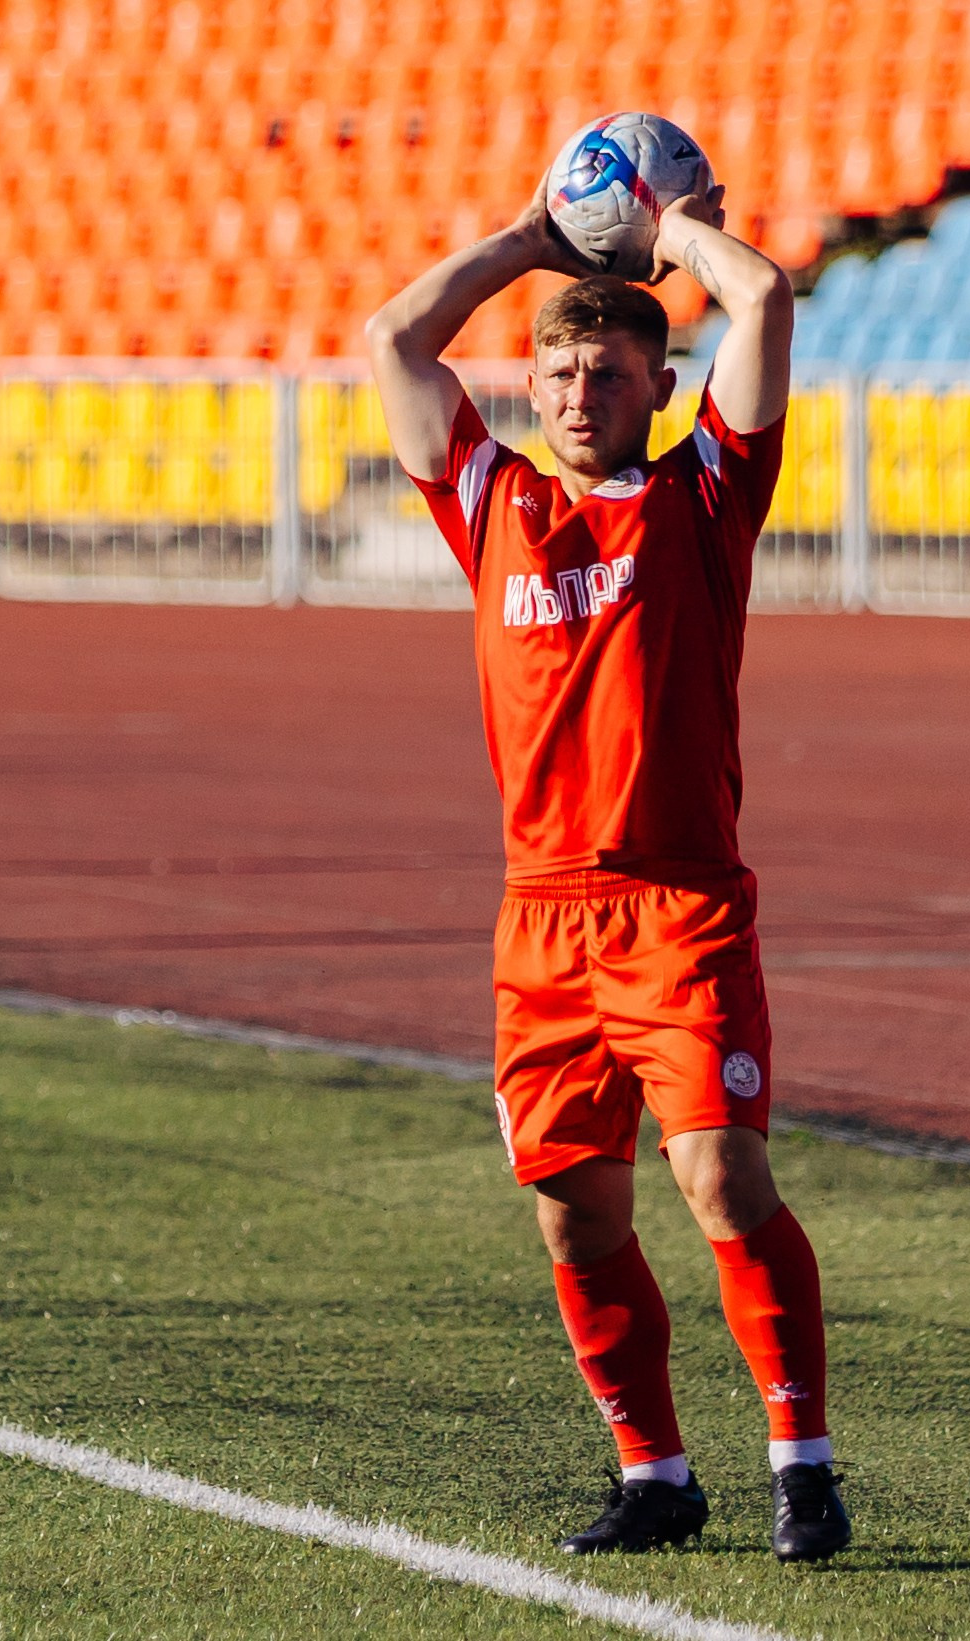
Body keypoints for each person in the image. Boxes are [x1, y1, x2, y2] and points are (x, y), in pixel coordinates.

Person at [365, 179, 851, 1562]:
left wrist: (673, 226)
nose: (579, 392)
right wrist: (530, 242)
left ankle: (799, 1463)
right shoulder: (493, 501)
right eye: (561, 370)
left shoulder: (703, 494)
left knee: (718, 1180)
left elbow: (760, 297)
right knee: (575, 1223)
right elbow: (395, 338)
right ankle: (654, 1476)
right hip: (540, 922)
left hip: (677, 902)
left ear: (657, 385)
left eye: (609, 371)